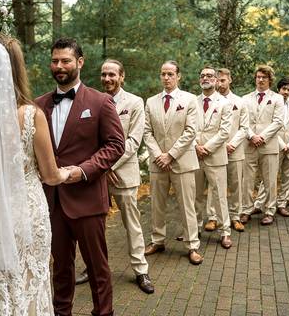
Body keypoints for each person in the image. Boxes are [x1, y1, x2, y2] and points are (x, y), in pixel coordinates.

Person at [0, 36, 70, 315]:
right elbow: (51, 175)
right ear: (15, 69)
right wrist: (70, 172)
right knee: (28, 279)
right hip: (25, 212)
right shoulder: (31, 115)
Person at [34, 38, 125, 316]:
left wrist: (82, 170)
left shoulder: (100, 102)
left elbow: (115, 145)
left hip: (87, 201)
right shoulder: (38, 105)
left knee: (98, 268)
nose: (59, 66)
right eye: (55, 61)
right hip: (52, 202)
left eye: (66, 61)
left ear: (80, 62)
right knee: (60, 267)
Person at [100, 59, 154, 293]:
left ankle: (141, 270)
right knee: (95, 227)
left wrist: (109, 165)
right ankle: (93, 268)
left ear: (122, 77)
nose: (107, 79)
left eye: (112, 74)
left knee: (131, 224)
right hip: (98, 176)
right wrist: (100, 169)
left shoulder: (134, 102)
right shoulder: (94, 100)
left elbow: (133, 141)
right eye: (104, 75)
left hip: (122, 174)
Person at [143, 60, 203, 265]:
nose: (166, 78)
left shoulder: (190, 99)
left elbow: (191, 131)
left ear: (179, 76)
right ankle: (157, 240)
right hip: (158, 162)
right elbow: (147, 132)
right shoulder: (151, 102)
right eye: (163, 74)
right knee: (157, 204)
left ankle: (192, 245)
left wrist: (171, 155)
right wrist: (159, 155)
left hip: (182, 161)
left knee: (187, 205)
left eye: (170, 74)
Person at [194, 66, 233, 249]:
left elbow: (225, 131)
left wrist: (206, 148)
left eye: (209, 75)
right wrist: (195, 146)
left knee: (219, 196)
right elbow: (189, 127)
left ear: (217, 80)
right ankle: (194, 230)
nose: (205, 78)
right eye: (202, 76)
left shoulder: (225, 103)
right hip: (194, 155)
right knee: (195, 195)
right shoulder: (193, 102)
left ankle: (225, 232)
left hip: (215, 155)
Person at [240, 65, 284, 226]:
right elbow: (242, 122)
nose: (260, 79)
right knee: (247, 181)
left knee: (270, 181)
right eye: (258, 77)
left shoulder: (278, 98)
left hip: (269, 145)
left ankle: (269, 211)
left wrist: (262, 137)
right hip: (249, 145)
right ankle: (246, 210)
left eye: (264, 77)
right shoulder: (245, 98)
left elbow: (278, 121)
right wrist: (252, 136)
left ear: (270, 79)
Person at [254, 78, 289, 216]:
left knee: (288, 178)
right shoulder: (272, 103)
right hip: (275, 145)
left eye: (288, 90)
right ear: (278, 89)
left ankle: (282, 203)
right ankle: (259, 204)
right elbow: (271, 126)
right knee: (269, 177)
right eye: (283, 89)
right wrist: (282, 145)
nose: (286, 92)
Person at [216, 68, 249, 232]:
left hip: (234, 150)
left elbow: (244, 128)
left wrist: (232, 144)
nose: (220, 83)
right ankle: (213, 217)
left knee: (236, 185)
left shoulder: (240, 101)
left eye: (223, 80)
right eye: (218, 80)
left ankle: (235, 216)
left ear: (230, 80)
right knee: (215, 185)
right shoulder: (210, 101)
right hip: (214, 150)